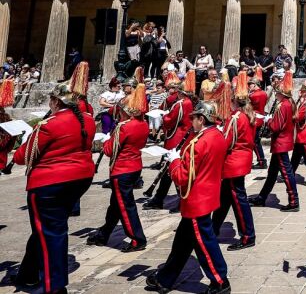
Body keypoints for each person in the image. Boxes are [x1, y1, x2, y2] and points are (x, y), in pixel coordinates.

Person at [12, 80, 96, 293]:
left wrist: (25, 138)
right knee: (46, 229)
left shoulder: (49, 125)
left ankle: (54, 286)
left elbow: (24, 156)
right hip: (79, 179)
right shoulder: (87, 120)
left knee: (51, 231)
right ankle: (27, 274)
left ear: (55, 102)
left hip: (50, 183)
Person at [145, 101, 231, 294]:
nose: (191, 121)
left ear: (202, 119)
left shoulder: (198, 143)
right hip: (207, 193)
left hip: (196, 198)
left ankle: (220, 280)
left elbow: (182, 176)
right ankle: (165, 278)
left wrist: (174, 160)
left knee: (204, 243)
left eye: (194, 118)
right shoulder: (216, 135)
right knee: (182, 242)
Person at [88, 83, 149, 251]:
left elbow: (108, 150)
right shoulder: (143, 124)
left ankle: (138, 239)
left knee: (125, 206)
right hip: (135, 166)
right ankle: (104, 234)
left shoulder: (124, 127)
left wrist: (107, 139)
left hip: (122, 170)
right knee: (115, 205)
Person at [211, 75, 257, 251]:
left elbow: (227, 141)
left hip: (234, 163)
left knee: (239, 200)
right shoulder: (245, 114)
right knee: (225, 198)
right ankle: (213, 228)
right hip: (241, 160)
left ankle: (247, 235)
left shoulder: (236, 117)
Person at [144, 71, 195, 210]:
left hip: (176, 139)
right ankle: (159, 197)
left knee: (173, 169)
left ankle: (182, 200)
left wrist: (163, 116)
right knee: (168, 171)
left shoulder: (181, 104)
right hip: (182, 136)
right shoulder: (188, 102)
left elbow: (171, 120)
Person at [249, 72, 299, 211]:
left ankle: (294, 201)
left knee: (287, 173)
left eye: (277, 92)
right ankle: (262, 197)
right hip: (282, 142)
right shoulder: (287, 103)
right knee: (272, 173)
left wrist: (267, 120)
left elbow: (275, 126)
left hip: (280, 143)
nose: (275, 94)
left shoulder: (283, 105)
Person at [247, 76, 268, 169]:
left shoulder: (253, 95)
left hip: (255, 118)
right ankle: (261, 160)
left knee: (254, 141)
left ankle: (261, 161)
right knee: (256, 141)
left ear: (255, 84)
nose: (249, 86)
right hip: (260, 118)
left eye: (250, 84)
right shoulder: (263, 93)